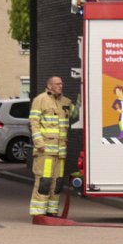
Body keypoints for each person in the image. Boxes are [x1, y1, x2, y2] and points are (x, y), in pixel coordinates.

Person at [29, 76, 73, 218]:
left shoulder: (66, 102)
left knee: (57, 183)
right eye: (57, 84)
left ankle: (52, 211)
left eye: (61, 83)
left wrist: (81, 100)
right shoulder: (40, 100)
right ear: (49, 85)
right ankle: (38, 212)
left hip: (60, 152)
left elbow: (76, 115)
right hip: (45, 150)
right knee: (44, 181)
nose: (61, 86)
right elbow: (34, 122)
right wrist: (39, 143)